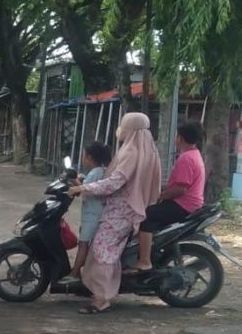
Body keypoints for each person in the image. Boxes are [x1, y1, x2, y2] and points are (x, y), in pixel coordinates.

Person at [67, 112, 162, 314]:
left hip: (121, 211)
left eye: (123, 126)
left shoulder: (131, 152)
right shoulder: (147, 149)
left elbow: (115, 182)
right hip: (128, 208)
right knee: (104, 251)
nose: (120, 130)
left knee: (102, 252)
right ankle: (102, 292)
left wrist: (83, 188)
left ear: (130, 129)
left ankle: (102, 300)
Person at [129, 121, 205, 273]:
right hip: (191, 204)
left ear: (180, 138)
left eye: (177, 135)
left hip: (183, 204)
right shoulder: (194, 155)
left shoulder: (186, 158)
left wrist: (160, 196)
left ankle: (144, 261)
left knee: (146, 215)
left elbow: (180, 189)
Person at [64, 141, 112, 281]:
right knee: (85, 244)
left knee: (83, 244)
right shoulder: (99, 171)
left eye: (84, 156)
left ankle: (74, 274)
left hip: (93, 215)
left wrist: (74, 180)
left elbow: (86, 189)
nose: (83, 159)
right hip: (94, 213)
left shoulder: (96, 172)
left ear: (90, 158)